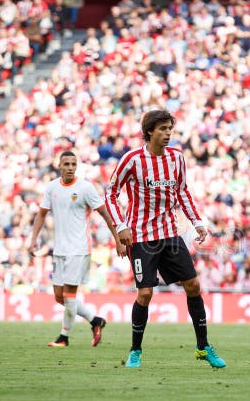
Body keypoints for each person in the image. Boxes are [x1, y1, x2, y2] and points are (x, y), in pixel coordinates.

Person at [105, 109, 226, 369]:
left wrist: (197, 222)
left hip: (170, 233)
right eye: (162, 129)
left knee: (193, 285)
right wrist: (121, 226)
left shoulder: (176, 158)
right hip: (141, 236)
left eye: (170, 128)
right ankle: (135, 350)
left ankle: (203, 347)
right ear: (150, 131)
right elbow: (111, 193)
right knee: (145, 294)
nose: (168, 133)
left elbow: (182, 192)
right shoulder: (133, 159)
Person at [28, 150, 125, 347]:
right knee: (59, 297)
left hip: (79, 249)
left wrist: (118, 240)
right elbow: (41, 214)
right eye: (67, 164)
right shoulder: (52, 188)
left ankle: (64, 338)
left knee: (69, 295)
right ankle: (96, 320)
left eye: (73, 164)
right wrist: (33, 239)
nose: (70, 167)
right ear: (60, 166)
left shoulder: (85, 188)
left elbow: (105, 214)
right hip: (60, 250)